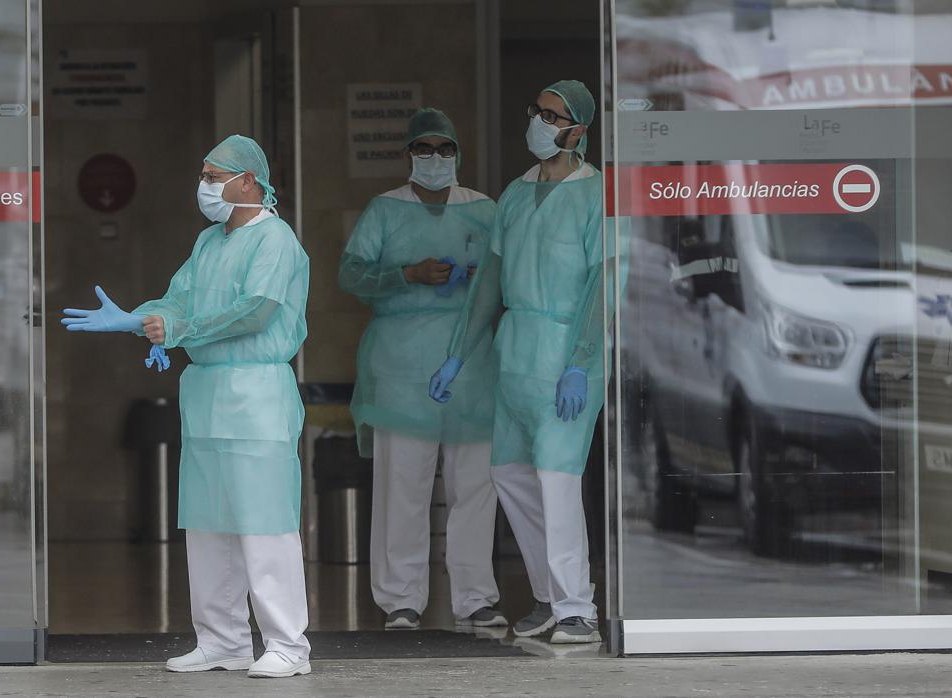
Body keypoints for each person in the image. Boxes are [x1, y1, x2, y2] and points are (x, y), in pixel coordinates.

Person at [61, 135, 313, 678]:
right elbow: (179, 298)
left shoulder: (275, 240)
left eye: (214, 175)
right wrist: (140, 318)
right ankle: (222, 640)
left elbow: (256, 312)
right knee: (208, 525)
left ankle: (288, 645)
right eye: (203, 175)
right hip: (207, 396)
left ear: (249, 180)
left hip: (257, 394)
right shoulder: (208, 243)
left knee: (265, 525)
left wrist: (182, 329)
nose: (205, 186)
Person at [430, 80, 624, 644]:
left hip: (567, 353)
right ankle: (548, 595)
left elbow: (605, 283)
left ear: (578, 131)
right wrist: (457, 355)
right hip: (515, 354)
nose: (538, 121)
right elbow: (489, 281)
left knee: (559, 482)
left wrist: (581, 359)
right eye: (535, 110)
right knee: (510, 474)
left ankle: (576, 610)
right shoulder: (514, 195)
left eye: (552, 115)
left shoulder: (597, 195)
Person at [339, 108, 505, 631]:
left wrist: (483, 280)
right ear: (408, 154)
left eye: (445, 149)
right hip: (400, 366)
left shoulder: (484, 209)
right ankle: (400, 600)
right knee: (402, 485)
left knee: (475, 485)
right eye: (423, 149)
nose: (435, 159)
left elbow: (510, 272)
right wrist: (406, 273)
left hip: (473, 363)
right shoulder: (384, 209)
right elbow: (352, 274)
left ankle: (476, 596)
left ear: (459, 153)